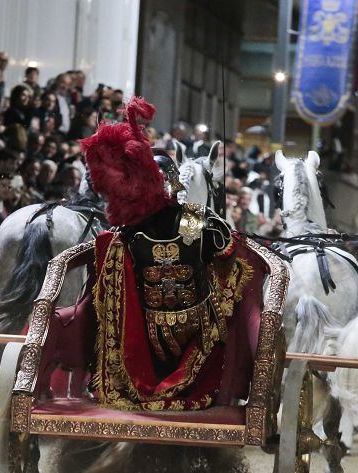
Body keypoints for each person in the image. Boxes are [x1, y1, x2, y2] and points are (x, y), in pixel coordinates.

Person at [80, 97, 245, 411]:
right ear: (172, 183)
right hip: (195, 338)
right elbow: (226, 253)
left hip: (144, 336)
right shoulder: (197, 220)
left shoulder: (123, 236)